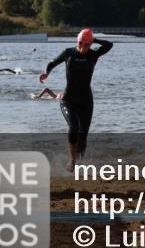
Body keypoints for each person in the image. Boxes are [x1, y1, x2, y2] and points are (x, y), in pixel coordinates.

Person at [39, 28, 113, 171]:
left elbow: (109, 45)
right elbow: (52, 63)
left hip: (86, 101)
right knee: (74, 127)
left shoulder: (93, 54)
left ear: (90, 44)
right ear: (77, 41)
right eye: (80, 43)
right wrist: (46, 73)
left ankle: (80, 163)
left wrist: (94, 40)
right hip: (68, 99)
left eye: (86, 44)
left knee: (83, 136)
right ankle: (72, 161)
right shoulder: (69, 53)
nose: (82, 47)